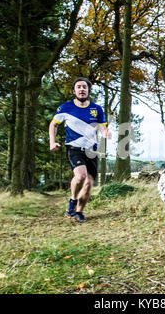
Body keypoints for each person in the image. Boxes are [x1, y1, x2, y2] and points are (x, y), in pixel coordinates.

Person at [49, 77, 111, 222]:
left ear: (88, 91)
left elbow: (101, 126)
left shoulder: (97, 109)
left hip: (91, 150)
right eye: (79, 87)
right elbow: (53, 124)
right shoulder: (65, 107)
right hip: (74, 148)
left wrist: (105, 132)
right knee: (81, 176)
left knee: (89, 184)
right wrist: (52, 142)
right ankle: (72, 200)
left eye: (85, 87)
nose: (82, 89)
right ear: (74, 91)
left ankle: (79, 212)